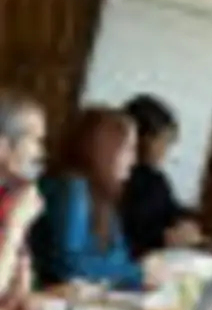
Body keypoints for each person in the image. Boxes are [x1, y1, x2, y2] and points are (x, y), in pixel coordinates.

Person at [35, 106, 143, 288]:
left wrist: (136, 272)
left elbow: (119, 254)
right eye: (128, 149)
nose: (134, 160)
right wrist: (137, 273)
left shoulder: (102, 191)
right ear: (104, 149)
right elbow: (69, 266)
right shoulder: (70, 187)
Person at [121, 94, 204, 260]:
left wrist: (185, 225)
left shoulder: (156, 179)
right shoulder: (114, 180)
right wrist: (162, 238)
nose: (165, 149)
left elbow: (173, 212)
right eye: (162, 140)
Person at [0, 88, 48, 310]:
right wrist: (16, 225)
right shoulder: (16, 209)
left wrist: (24, 299)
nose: (41, 153)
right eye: (36, 140)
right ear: (3, 146)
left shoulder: (11, 195)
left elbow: (17, 288)